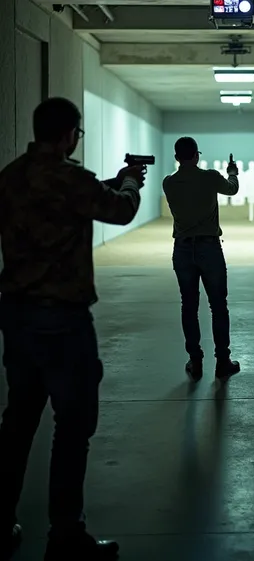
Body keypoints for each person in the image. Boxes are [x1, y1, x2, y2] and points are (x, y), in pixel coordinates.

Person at [0, 97, 147, 561]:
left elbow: (59, 199)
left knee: (18, 423)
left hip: (18, 315)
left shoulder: (11, 177)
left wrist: (105, 182)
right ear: (69, 135)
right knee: (72, 425)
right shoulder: (71, 180)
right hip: (63, 320)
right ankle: (65, 533)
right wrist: (128, 183)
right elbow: (120, 211)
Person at [163, 137, 240, 381]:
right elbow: (232, 189)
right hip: (209, 248)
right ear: (197, 155)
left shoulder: (169, 183)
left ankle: (195, 362)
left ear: (177, 157)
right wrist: (232, 172)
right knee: (218, 306)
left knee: (189, 305)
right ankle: (222, 362)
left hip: (183, 250)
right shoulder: (210, 177)